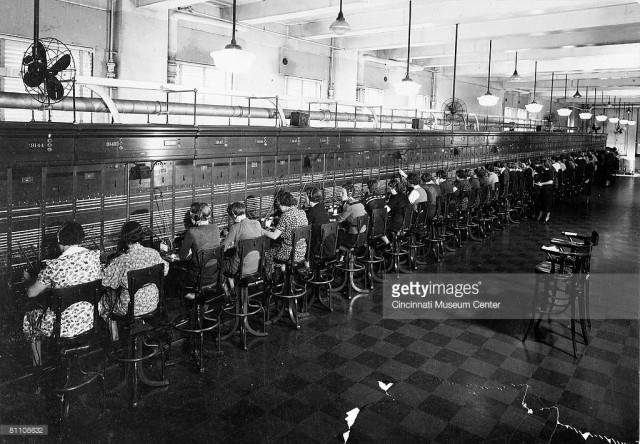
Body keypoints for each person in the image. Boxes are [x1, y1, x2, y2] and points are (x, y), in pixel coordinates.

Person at [23, 221, 102, 366]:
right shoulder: (94, 257)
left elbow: (31, 293)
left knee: (29, 318)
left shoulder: (54, 265)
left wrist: (30, 279)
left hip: (63, 328)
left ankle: (38, 368)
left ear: (59, 241)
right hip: (90, 320)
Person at [101, 222, 169, 331]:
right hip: (152, 304)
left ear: (124, 239)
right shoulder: (153, 253)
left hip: (128, 309)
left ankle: (115, 338)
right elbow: (165, 270)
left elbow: (107, 283)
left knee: (104, 300)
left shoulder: (121, 260)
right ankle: (139, 328)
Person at [262, 192, 309, 278]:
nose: (279, 207)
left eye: (279, 205)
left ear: (284, 204)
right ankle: (285, 278)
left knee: (267, 254)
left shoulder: (285, 216)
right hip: (301, 251)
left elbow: (274, 236)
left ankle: (274, 282)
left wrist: (262, 231)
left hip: (289, 254)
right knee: (279, 247)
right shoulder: (302, 212)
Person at [178, 203, 221, 293]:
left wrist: (191, 252)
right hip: (215, 275)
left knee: (173, 275)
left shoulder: (192, 231)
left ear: (194, 218)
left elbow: (182, 256)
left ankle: (191, 299)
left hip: (198, 278)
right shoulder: (216, 228)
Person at [222, 202, 263, 292]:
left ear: (234, 215)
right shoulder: (257, 223)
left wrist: (225, 237)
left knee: (221, 265)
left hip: (240, 269)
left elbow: (222, 249)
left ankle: (230, 292)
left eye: (231, 217)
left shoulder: (235, 227)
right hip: (256, 266)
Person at [335, 182, 367, 246]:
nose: (340, 195)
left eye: (343, 193)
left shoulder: (349, 206)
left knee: (335, 236)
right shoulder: (360, 204)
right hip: (363, 236)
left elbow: (339, 220)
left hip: (353, 237)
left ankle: (341, 254)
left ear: (349, 194)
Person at [381, 178, 410, 245]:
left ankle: (388, 244)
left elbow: (385, 210)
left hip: (397, 223)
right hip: (406, 222)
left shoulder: (395, 197)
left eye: (389, 188)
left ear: (392, 188)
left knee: (380, 226)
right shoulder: (403, 195)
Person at [305, 188, 332, 258]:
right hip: (329, 243)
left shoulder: (312, 212)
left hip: (320, 247)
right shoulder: (321, 207)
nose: (305, 199)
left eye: (306, 197)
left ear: (310, 197)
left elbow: (306, 227)